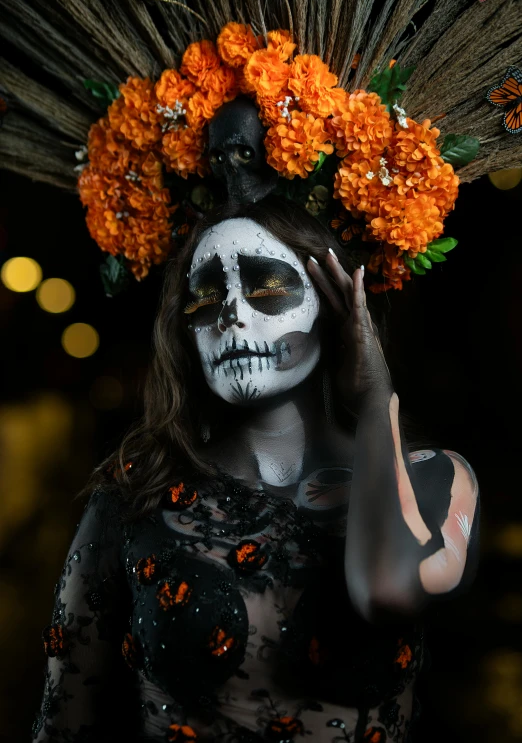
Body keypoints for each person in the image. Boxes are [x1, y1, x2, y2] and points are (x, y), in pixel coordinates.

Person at [32, 197, 480, 743]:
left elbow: (387, 592)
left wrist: (374, 400)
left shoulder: (435, 480)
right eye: (206, 297)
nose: (233, 315)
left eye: (267, 287)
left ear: (337, 304)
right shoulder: (134, 496)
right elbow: (65, 722)